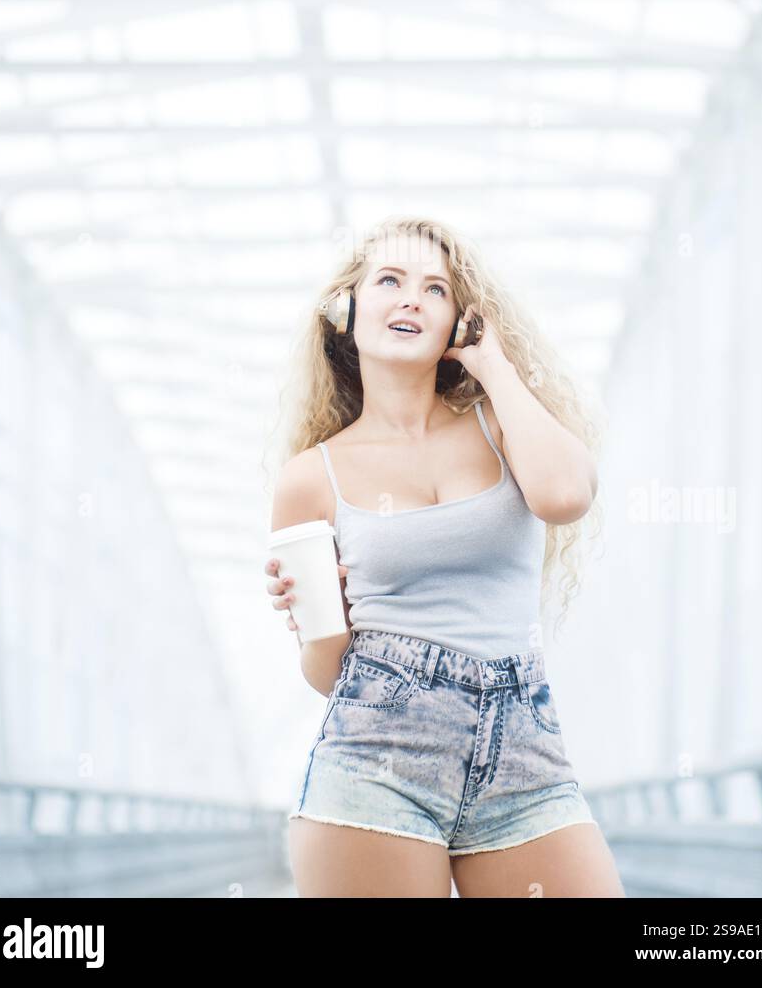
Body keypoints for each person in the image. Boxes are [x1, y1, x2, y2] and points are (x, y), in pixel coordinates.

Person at [265, 215, 625, 898]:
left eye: (435, 289)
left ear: (459, 320)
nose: (410, 299)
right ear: (346, 308)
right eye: (390, 281)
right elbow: (326, 672)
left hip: (524, 754)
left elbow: (564, 494)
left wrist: (490, 363)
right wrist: (318, 614)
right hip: (375, 761)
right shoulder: (312, 477)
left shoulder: (498, 425)